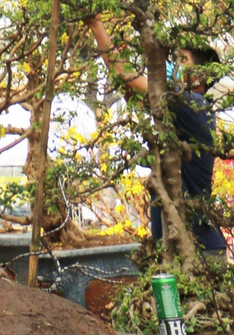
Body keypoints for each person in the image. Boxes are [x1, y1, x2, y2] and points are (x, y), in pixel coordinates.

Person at [88, 14, 227, 260]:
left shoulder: (192, 106)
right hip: (181, 247)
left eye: (182, 60)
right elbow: (131, 89)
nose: (175, 66)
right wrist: (117, 52)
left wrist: (96, 24)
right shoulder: (181, 110)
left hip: (198, 250)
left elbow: (126, 76)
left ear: (198, 76)